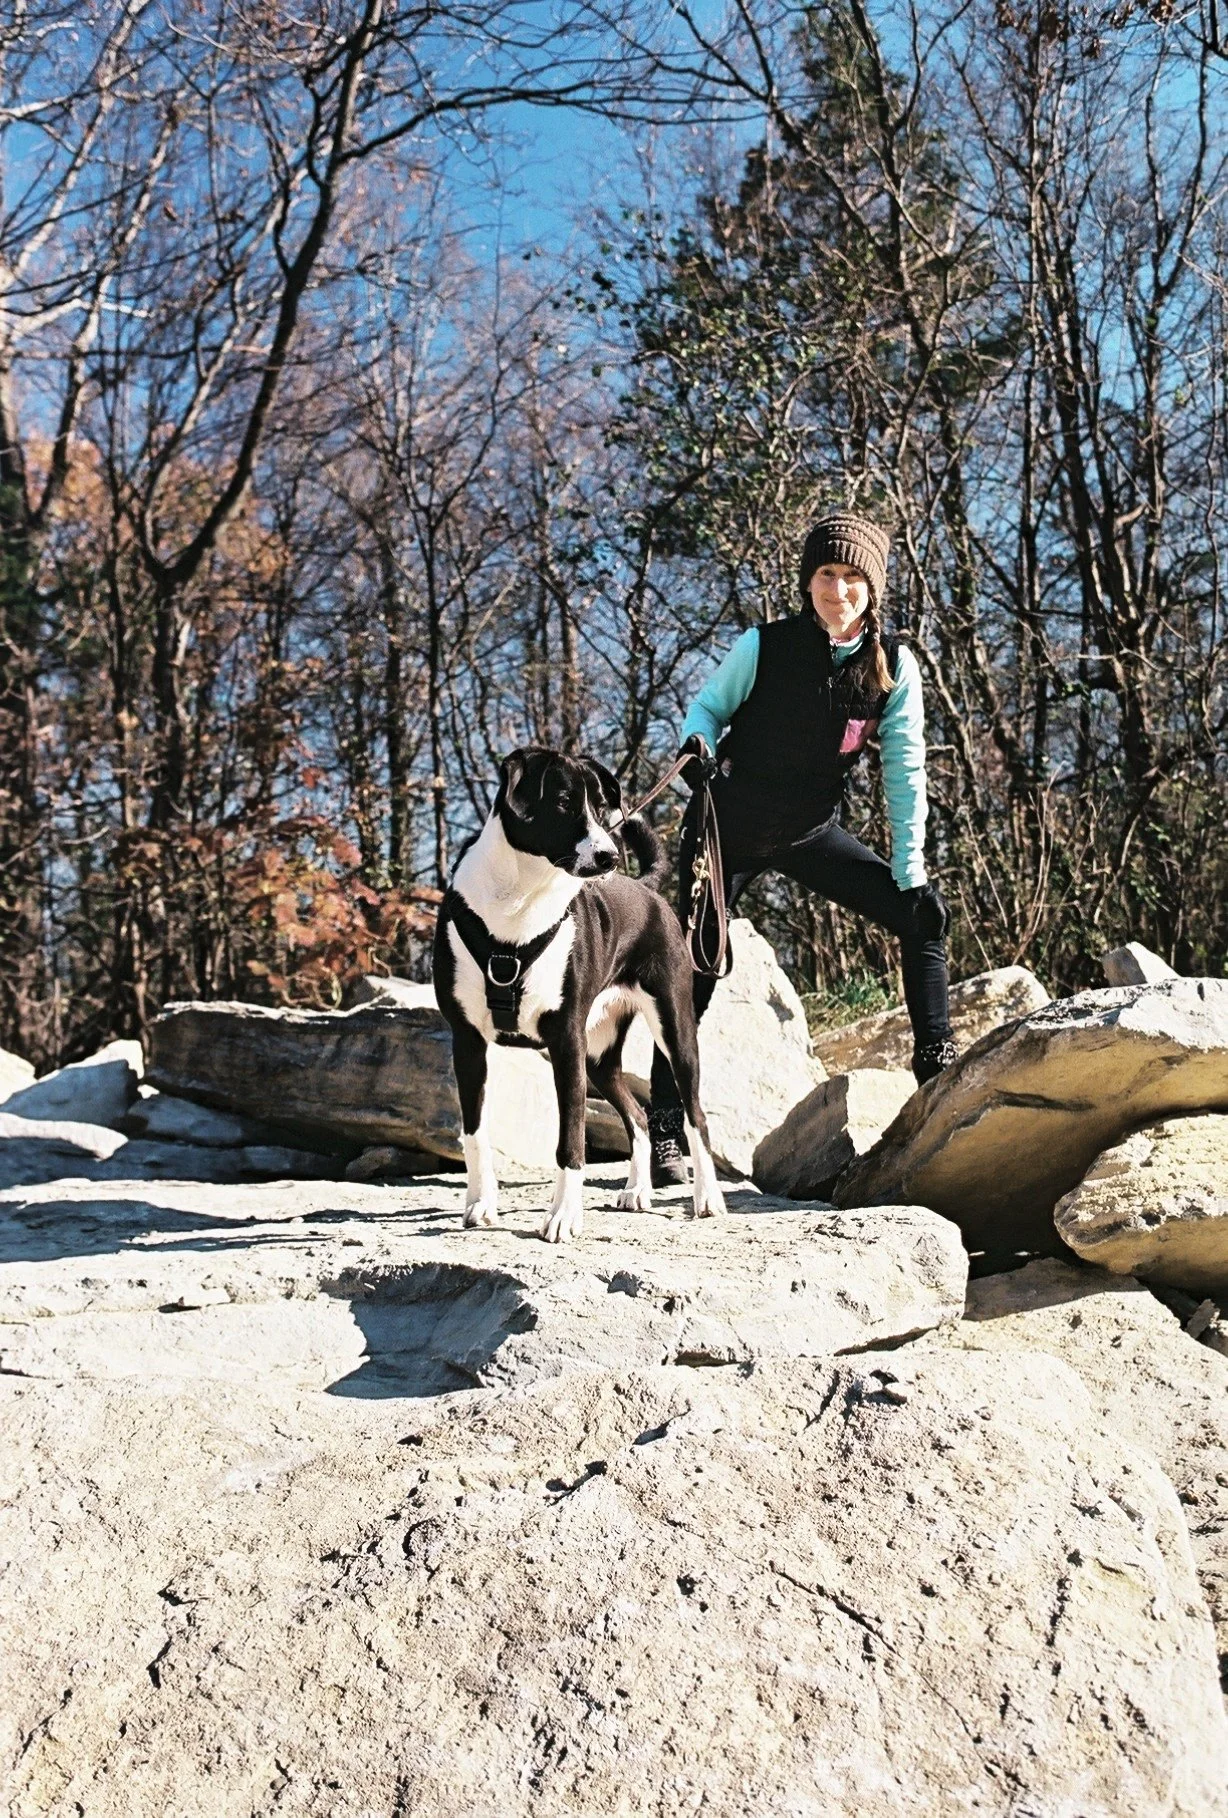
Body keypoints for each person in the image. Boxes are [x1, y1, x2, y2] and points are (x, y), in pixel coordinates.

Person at [648, 509, 958, 1187]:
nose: (837, 589)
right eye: (826, 574)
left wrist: (910, 870)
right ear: (808, 580)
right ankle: (666, 1130)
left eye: (852, 577)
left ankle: (937, 1069)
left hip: (809, 832)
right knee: (693, 969)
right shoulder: (764, 645)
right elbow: (707, 709)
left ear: (872, 588)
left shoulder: (894, 668)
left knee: (921, 916)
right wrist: (697, 744)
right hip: (726, 829)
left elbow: (905, 773)